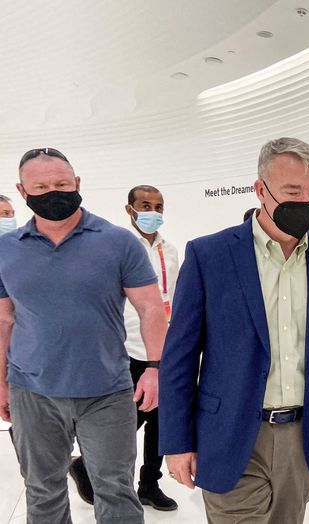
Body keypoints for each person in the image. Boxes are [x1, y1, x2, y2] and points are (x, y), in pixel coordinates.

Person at [159, 137, 309, 523]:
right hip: (230, 431)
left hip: (307, 434)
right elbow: (180, 355)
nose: (305, 202)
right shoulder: (209, 255)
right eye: (292, 191)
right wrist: (176, 441)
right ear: (260, 189)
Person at [0, 148, 168, 524]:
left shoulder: (117, 242)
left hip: (106, 391)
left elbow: (150, 308)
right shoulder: (5, 250)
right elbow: (4, 321)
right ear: (22, 190)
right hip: (32, 392)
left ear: (77, 184)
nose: (52, 191)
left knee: (115, 489)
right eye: (40, 186)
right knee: (42, 490)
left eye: (61, 183)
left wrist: (156, 368)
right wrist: (0, 382)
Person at [68, 185, 179, 511]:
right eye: (145, 205)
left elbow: (172, 297)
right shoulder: (113, 248)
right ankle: (86, 466)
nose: (153, 212)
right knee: (123, 425)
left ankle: (149, 484)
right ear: (129, 209)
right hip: (124, 350)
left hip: (162, 352)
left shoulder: (169, 251)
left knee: (161, 424)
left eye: (159, 206)